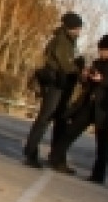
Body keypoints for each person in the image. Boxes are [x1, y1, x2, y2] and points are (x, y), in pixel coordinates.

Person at [48, 35, 108, 183]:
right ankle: (55, 158)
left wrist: (102, 80)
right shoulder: (97, 63)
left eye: (104, 50)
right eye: (100, 50)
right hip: (89, 104)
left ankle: (98, 175)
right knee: (70, 132)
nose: (101, 53)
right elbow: (87, 85)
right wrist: (85, 77)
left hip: (105, 110)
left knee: (102, 143)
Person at [22, 11, 82, 167]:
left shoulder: (67, 41)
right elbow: (65, 64)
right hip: (55, 83)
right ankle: (32, 152)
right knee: (45, 118)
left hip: (60, 84)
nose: (79, 31)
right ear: (69, 27)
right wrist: (79, 70)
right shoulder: (62, 41)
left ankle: (54, 156)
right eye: (77, 28)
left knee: (58, 119)